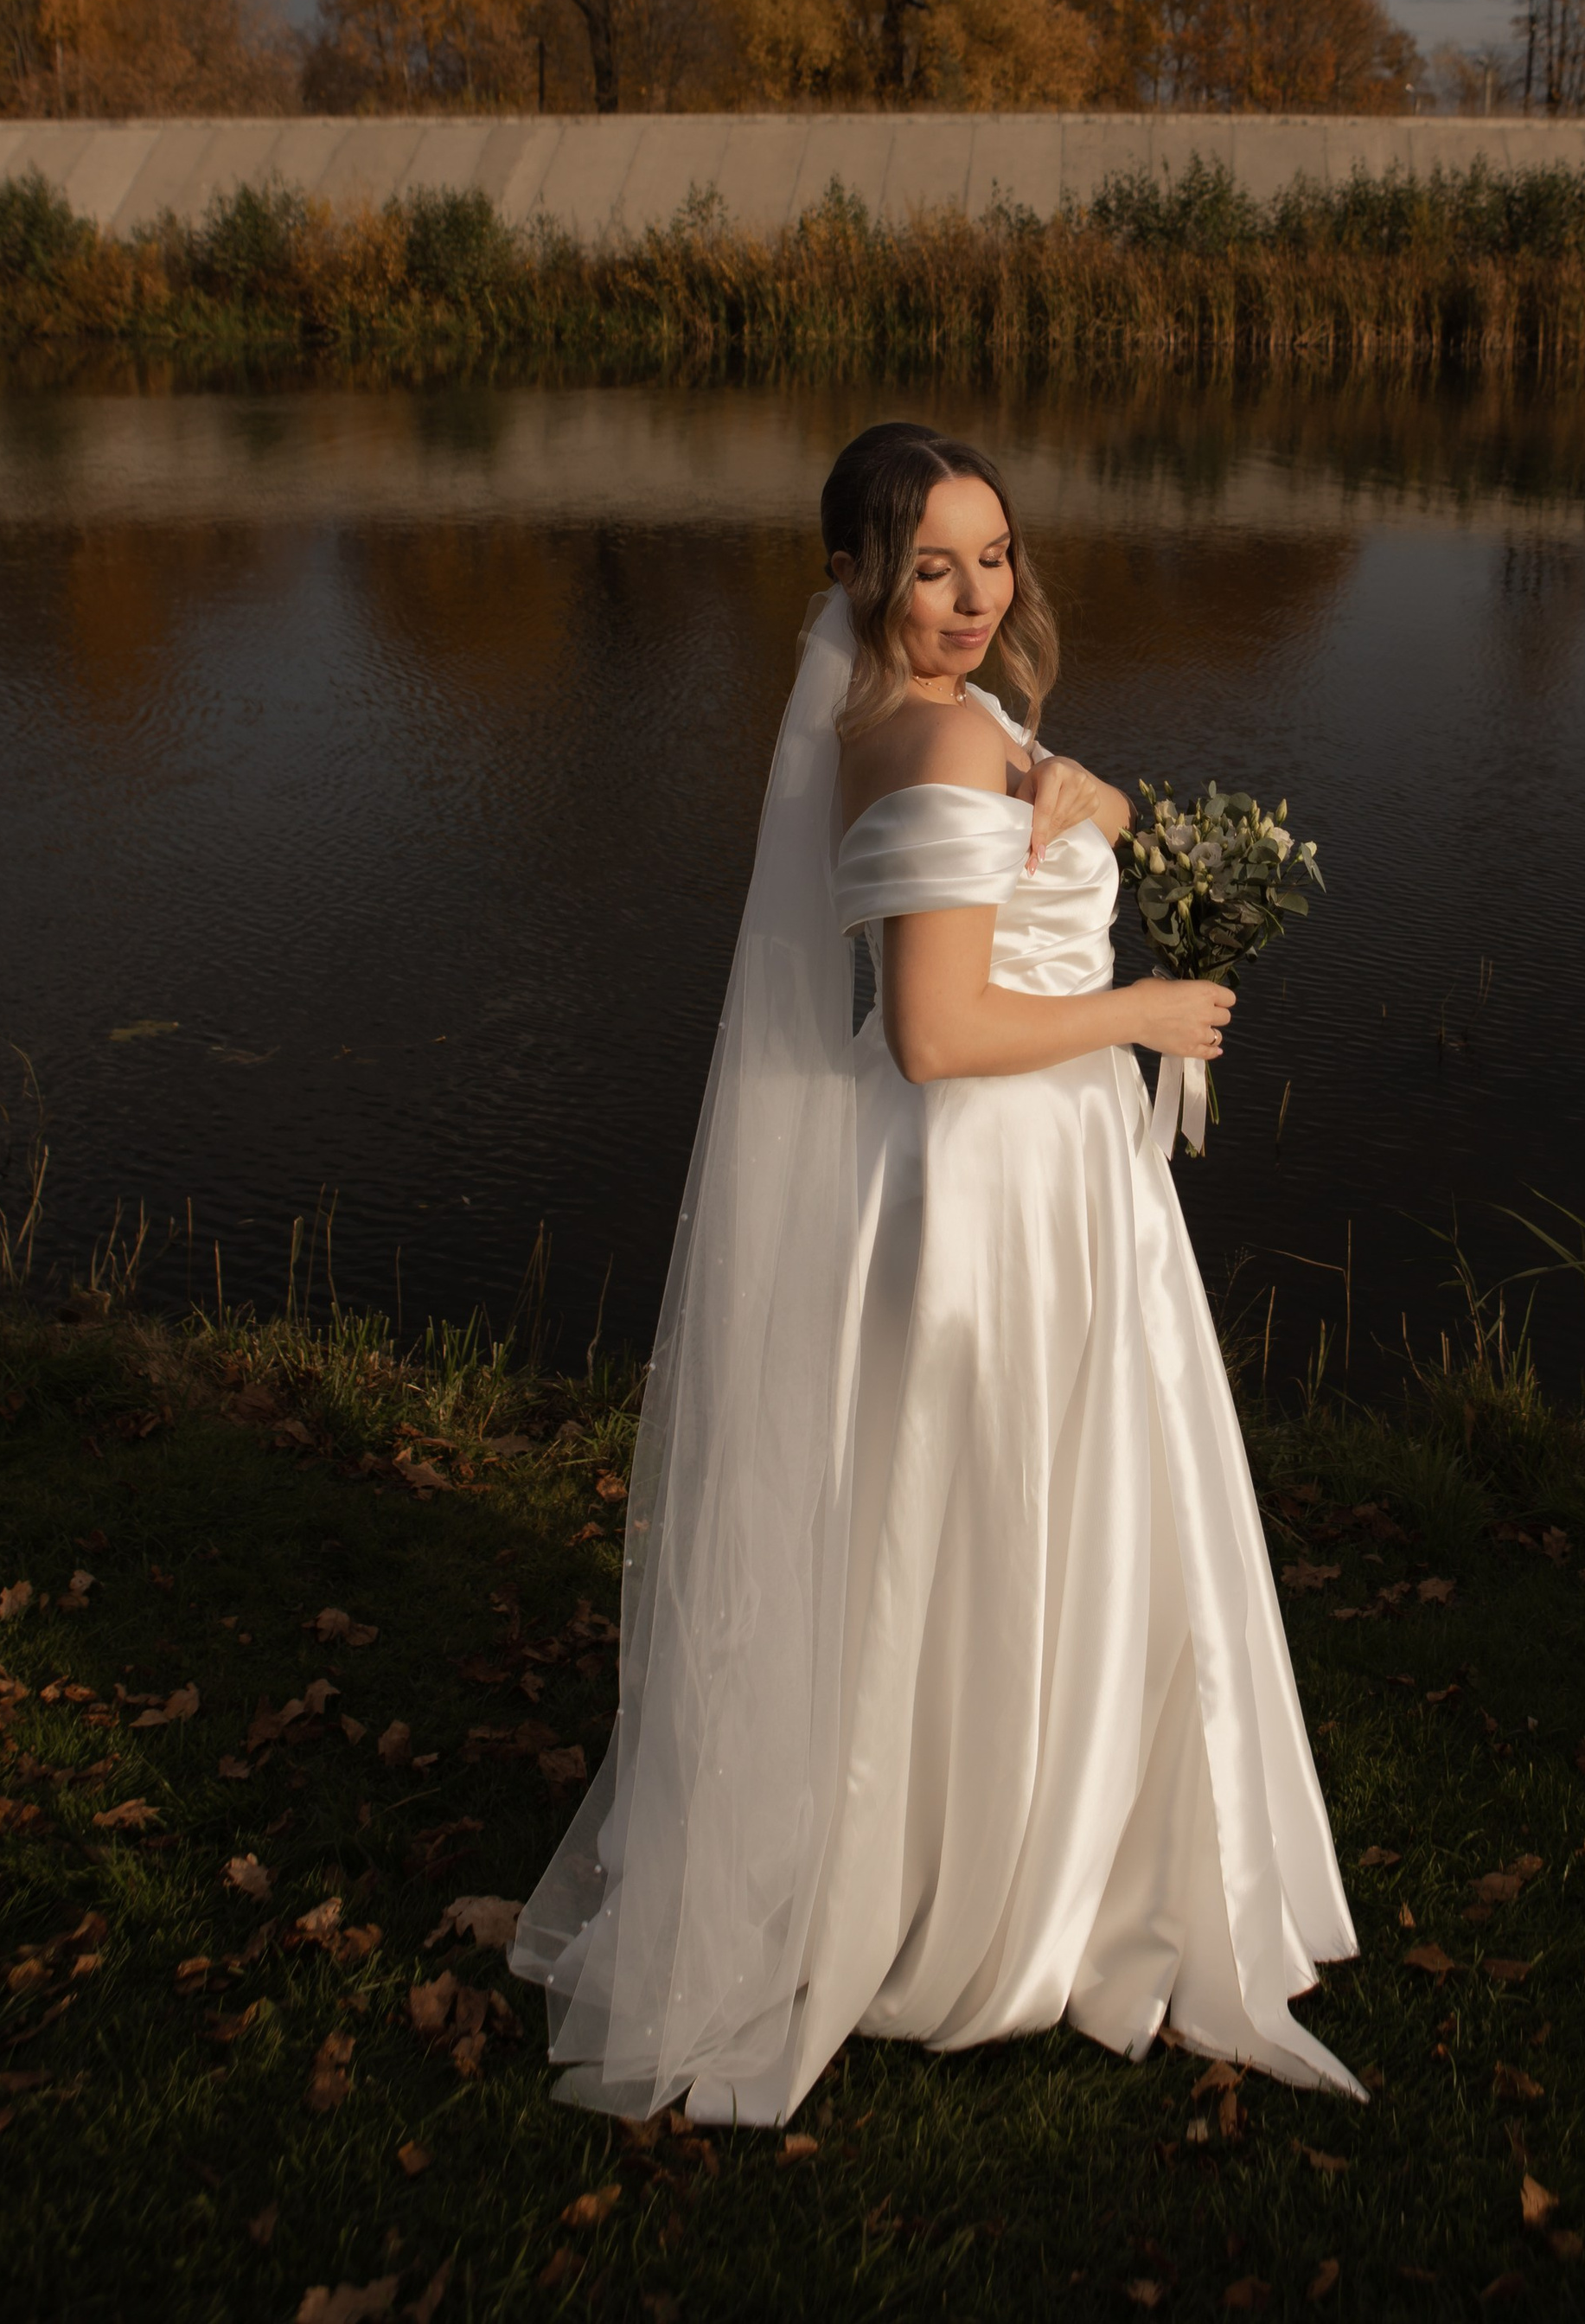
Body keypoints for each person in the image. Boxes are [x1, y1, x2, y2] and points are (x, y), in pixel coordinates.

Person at [512, 420, 1360, 2121]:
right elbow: (929, 1031)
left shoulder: (908, 721)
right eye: (929, 567)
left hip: (1013, 1175)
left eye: (992, 556)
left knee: (972, 1512)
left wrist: (1090, 800)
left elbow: (1048, 813)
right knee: (999, 1506)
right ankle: (984, 1891)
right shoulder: (933, 748)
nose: (974, 595)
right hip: (995, 1181)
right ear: (855, 575)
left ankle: (996, 1831)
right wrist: (1146, 1010)